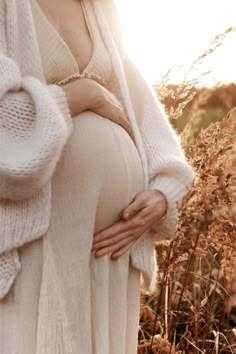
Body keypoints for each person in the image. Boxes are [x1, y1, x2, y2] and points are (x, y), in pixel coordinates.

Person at [0, 0, 194, 353]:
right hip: (37, 237)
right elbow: (3, 120)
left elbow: (146, 118)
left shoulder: (101, 10)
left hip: (111, 249)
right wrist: (82, 94)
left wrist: (164, 193)